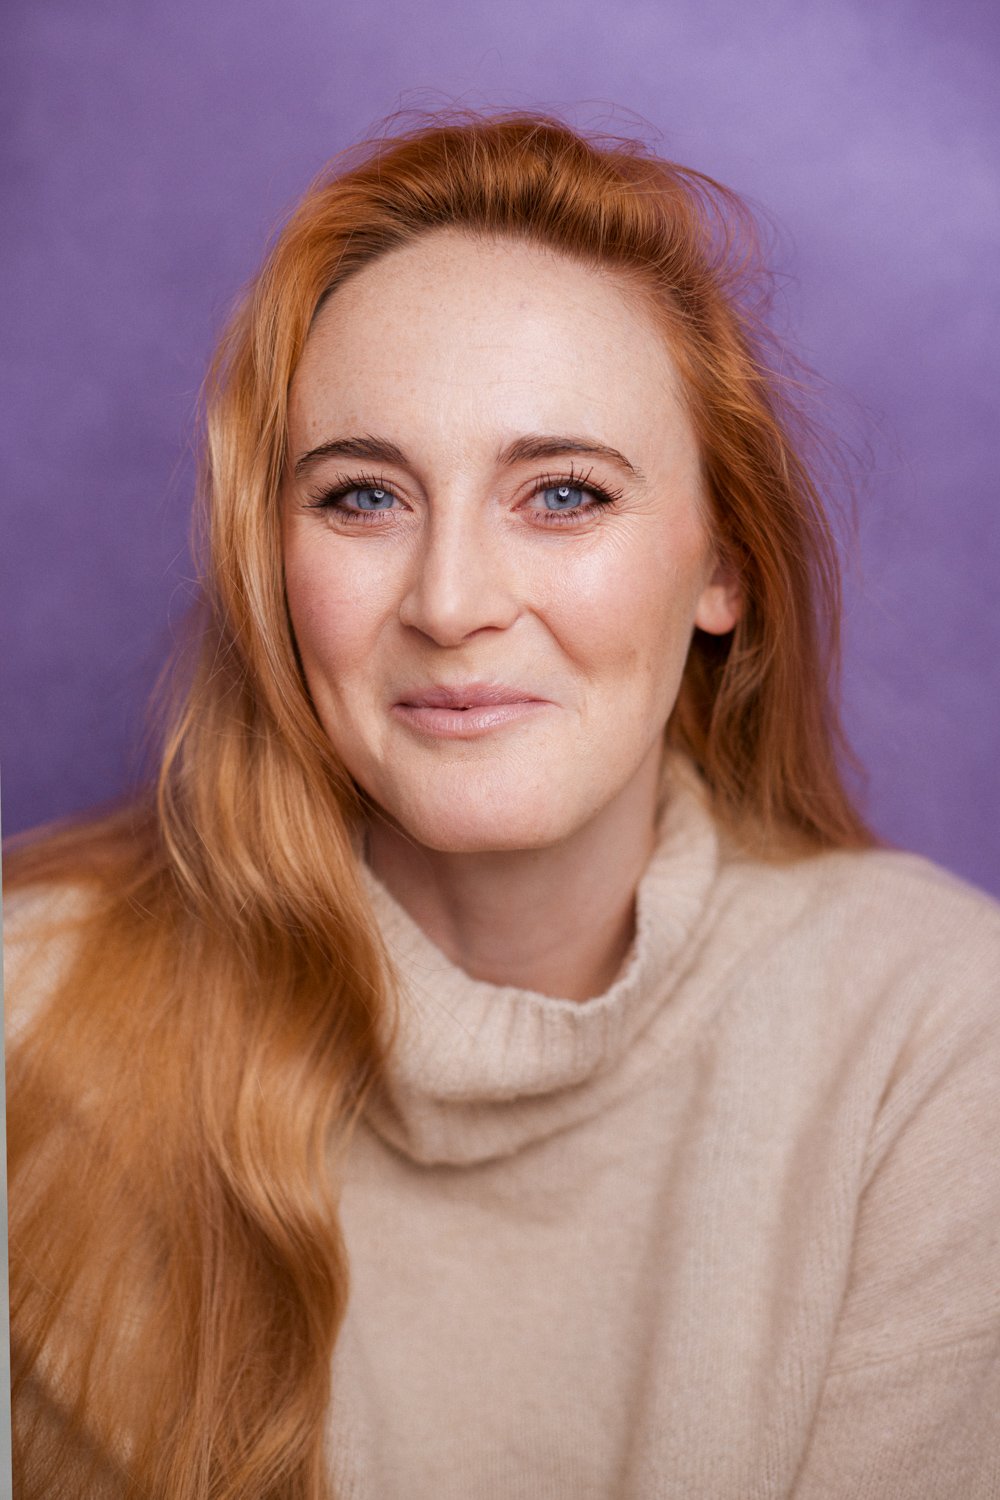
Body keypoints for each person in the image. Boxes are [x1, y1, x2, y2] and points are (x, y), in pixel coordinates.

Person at [4, 110, 999, 1500]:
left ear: (724, 567)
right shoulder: (31, 1009)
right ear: (267, 565)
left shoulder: (937, 1038)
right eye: (362, 496)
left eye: (564, 495)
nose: (454, 601)